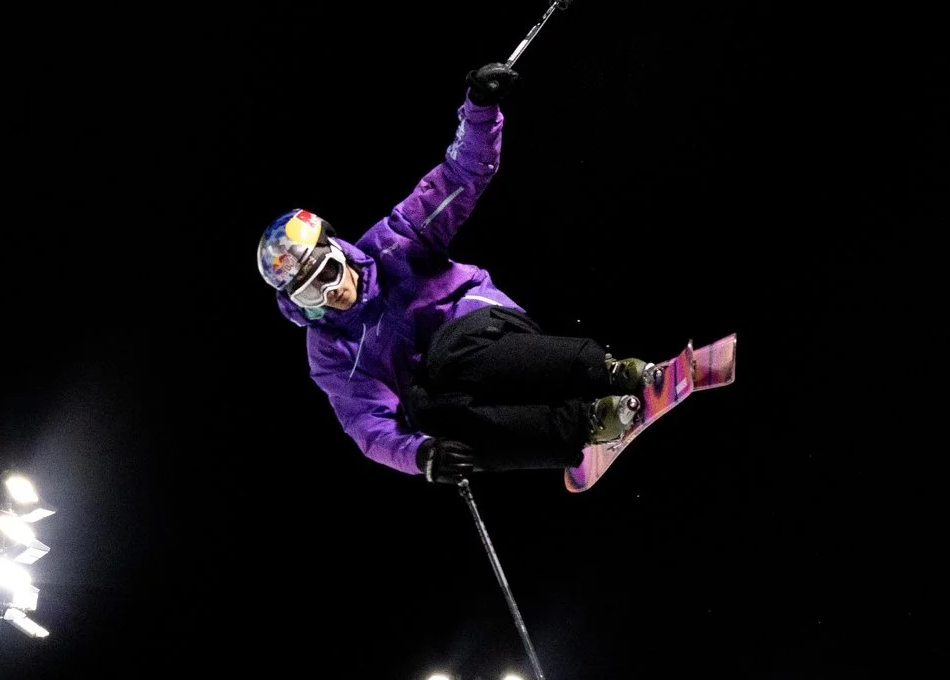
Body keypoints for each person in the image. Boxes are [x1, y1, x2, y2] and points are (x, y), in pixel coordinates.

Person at [258, 61, 666, 482]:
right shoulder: (329, 352)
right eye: (311, 295)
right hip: (454, 385)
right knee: (427, 414)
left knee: (444, 357)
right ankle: (589, 424)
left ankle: (611, 371)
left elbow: (461, 176)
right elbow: (366, 424)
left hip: (485, 329)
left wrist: (480, 109)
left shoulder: (395, 242)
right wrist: (423, 456)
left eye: (327, 273)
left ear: (337, 252)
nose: (331, 294)